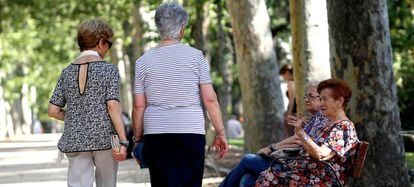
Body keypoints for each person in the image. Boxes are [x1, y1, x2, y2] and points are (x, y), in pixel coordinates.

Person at [131, 2, 228, 187]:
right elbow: (210, 99)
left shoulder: (143, 62)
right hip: (190, 130)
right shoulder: (196, 56)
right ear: (182, 28)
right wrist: (220, 132)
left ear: (158, 27)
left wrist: (137, 139)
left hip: (156, 132)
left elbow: (138, 106)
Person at [48, 19, 127, 187]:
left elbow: (53, 110)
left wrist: (77, 117)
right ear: (100, 42)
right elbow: (112, 106)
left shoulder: (66, 72)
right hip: (105, 139)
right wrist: (123, 140)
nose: (108, 48)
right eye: (109, 43)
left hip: (75, 139)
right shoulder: (109, 70)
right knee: (107, 183)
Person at [219, 82, 328, 187]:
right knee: (247, 180)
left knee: (248, 160)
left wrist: (271, 148)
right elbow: (296, 138)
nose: (307, 100)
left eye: (311, 96)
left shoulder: (325, 121)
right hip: (292, 163)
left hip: (297, 168)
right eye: (306, 96)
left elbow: (298, 142)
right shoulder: (313, 119)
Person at [256, 78, 359, 186]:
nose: (321, 103)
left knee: (267, 177)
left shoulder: (343, 127)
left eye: (325, 99)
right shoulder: (329, 124)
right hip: (307, 173)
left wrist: (301, 134)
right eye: (320, 99)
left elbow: (322, 155)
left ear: (340, 101)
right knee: (258, 177)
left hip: (322, 180)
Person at [279, 64, 296, 135]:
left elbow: (291, 100)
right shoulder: (297, 82)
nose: (283, 78)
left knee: (291, 133)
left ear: (287, 73)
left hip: (293, 111)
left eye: (283, 75)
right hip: (296, 111)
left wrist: (288, 114)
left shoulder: (290, 83)